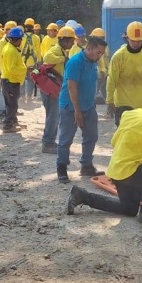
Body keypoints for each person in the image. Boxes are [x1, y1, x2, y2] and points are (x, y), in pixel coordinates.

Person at [66, 85, 142, 225]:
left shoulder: (130, 114)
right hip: (132, 173)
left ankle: (82, 196)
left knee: (129, 209)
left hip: (117, 171)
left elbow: (114, 141)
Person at [55, 36, 107, 183]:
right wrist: (77, 111)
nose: (100, 56)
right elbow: (72, 87)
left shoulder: (93, 62)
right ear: (89, 48)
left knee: (91, 136)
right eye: (98, 52)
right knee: (66, 139)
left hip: (88, 106)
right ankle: (62, 167)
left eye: (102, 53)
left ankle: (86, 165)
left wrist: (91, 104)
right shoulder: (75, 62)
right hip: (70, 107)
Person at [106, 21, 142, 126]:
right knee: (125, 132)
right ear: (127, 38)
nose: (136, 43)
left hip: (140, 104)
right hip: (122, 103)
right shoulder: (118, 56)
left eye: (139, 41)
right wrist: (109, 101)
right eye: (133, 40)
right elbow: (112, 79)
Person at [40, 26, 78, 152]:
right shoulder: (56, 50)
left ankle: (48, 141)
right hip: (50, 89)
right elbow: (47, 58)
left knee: (53, 115)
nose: (73, 43)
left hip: (53, 88)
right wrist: (63, 59)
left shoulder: (62, 50)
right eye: (72, 41)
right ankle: (48, 143)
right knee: (53, 116)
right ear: (65, 40)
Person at [0, 27, 26, 133]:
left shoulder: (9, 47)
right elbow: (12, 68)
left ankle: (14, 122)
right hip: (10, 81)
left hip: (10, 81)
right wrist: (24, 69)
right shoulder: (11, 51)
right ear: (17, 39)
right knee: (12, 104)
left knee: (11, 103)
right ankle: (8, 126)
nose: (21, 42)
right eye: (21, 39)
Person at [20, 18, 41, 101]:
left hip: (22, 61)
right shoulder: (36, 38)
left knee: (22, 79)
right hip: (32, 62)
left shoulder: (21, 37)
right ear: (32, 27)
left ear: (25, 27)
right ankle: (29, 96)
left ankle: (22, 96)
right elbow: (38, 50)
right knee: (31, 80)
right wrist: (39, 61)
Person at [91, 28, 109, 102]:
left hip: (101, 74)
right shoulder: (105, 47)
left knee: (93, 94)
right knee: (105, 94)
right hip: (102, 73)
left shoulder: (100, 47)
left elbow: (103, 60)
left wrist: (104, 71)